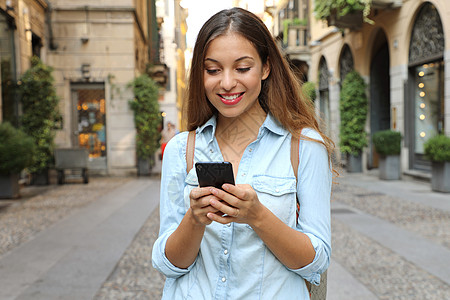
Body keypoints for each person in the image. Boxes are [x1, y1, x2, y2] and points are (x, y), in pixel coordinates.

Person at [152, 7, 335, 300]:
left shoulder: (304, 147)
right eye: (212, 70)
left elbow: (316, 262)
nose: (226, 83)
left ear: (265, 68)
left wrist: (257, 216)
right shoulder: (181, 149)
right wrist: (195, 220)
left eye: (242, 68)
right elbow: (170, 265)